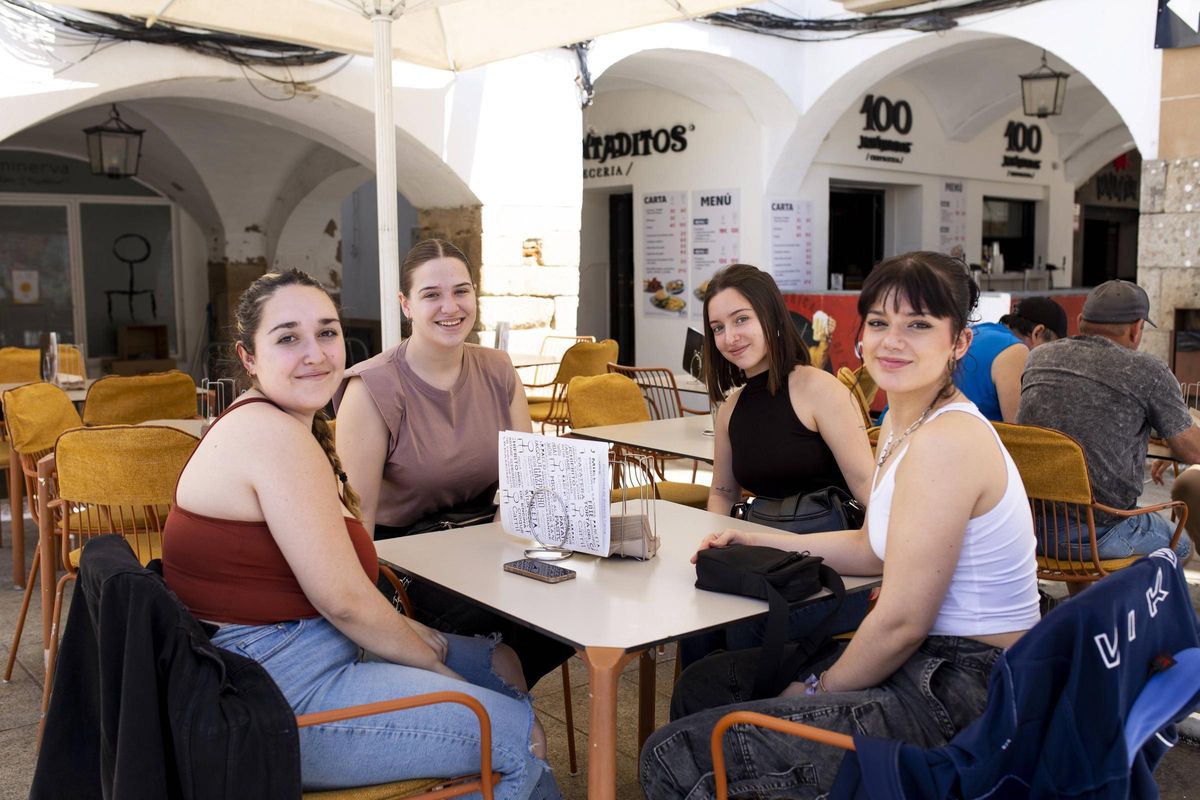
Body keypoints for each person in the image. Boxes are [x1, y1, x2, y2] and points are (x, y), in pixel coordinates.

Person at [641, 252, 1040, 800]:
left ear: (959, 342)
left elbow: (900, 622)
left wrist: (812, 691)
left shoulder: (945, 442)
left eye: (918, 325)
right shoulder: (904, 424)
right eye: (879, 323)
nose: (893, 340)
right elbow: (874, 549)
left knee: (671, 756)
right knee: (701, 684)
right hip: (928, 660)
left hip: (960, 686)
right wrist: (759, 538)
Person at [161, 269, 559, 799]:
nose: (316, 353)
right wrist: (445, 681)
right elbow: (345, 601)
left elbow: (341, 597)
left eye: (327, 333)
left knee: (500, 660)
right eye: (287, 338)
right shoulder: (271, 436)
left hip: (305, 645)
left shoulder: (278, 423)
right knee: (512, 735)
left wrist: (421, 646)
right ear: (249, 358)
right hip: (276, 691)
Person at [333, 239, 572, 687]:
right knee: (497, 627)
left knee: (573, 600)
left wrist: (516, 549)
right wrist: (371, 614)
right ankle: (497, 700)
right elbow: (355, 521)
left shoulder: (498, 369)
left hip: (485, 544)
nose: (451, 306)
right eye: (431, 295)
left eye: (461, 291)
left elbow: (525, 483)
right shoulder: (374, 387)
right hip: (403, 563)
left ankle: (493, 700)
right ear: (406, 305)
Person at [678, 264, 875, 668]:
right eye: (717, 328)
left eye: (741, 319)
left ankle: (741, 726)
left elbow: (870, 488)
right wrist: (709, 547)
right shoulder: (732, 407)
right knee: (696, 625)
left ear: (771, 316)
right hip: (765, 563)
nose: (729, 338)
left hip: (831, 571)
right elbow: (722, 492)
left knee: (741, 628)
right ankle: (703, 729)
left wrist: (892, 573)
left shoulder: (819, 389)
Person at [1017, 279, 1200, 562]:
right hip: (1100, 534)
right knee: (1182, 546)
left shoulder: (1038, 357)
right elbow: (1192, 450)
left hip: (1028, 529)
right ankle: (1128, 606)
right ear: (1137, 328)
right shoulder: (1148, 371)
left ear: (1080, 320)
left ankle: (1086, 601)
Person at [956, 295, 1067, 422]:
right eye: (1053, 350)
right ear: (1038, 332)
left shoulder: (979, 330)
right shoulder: (1016, 351)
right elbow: (1020, 433)